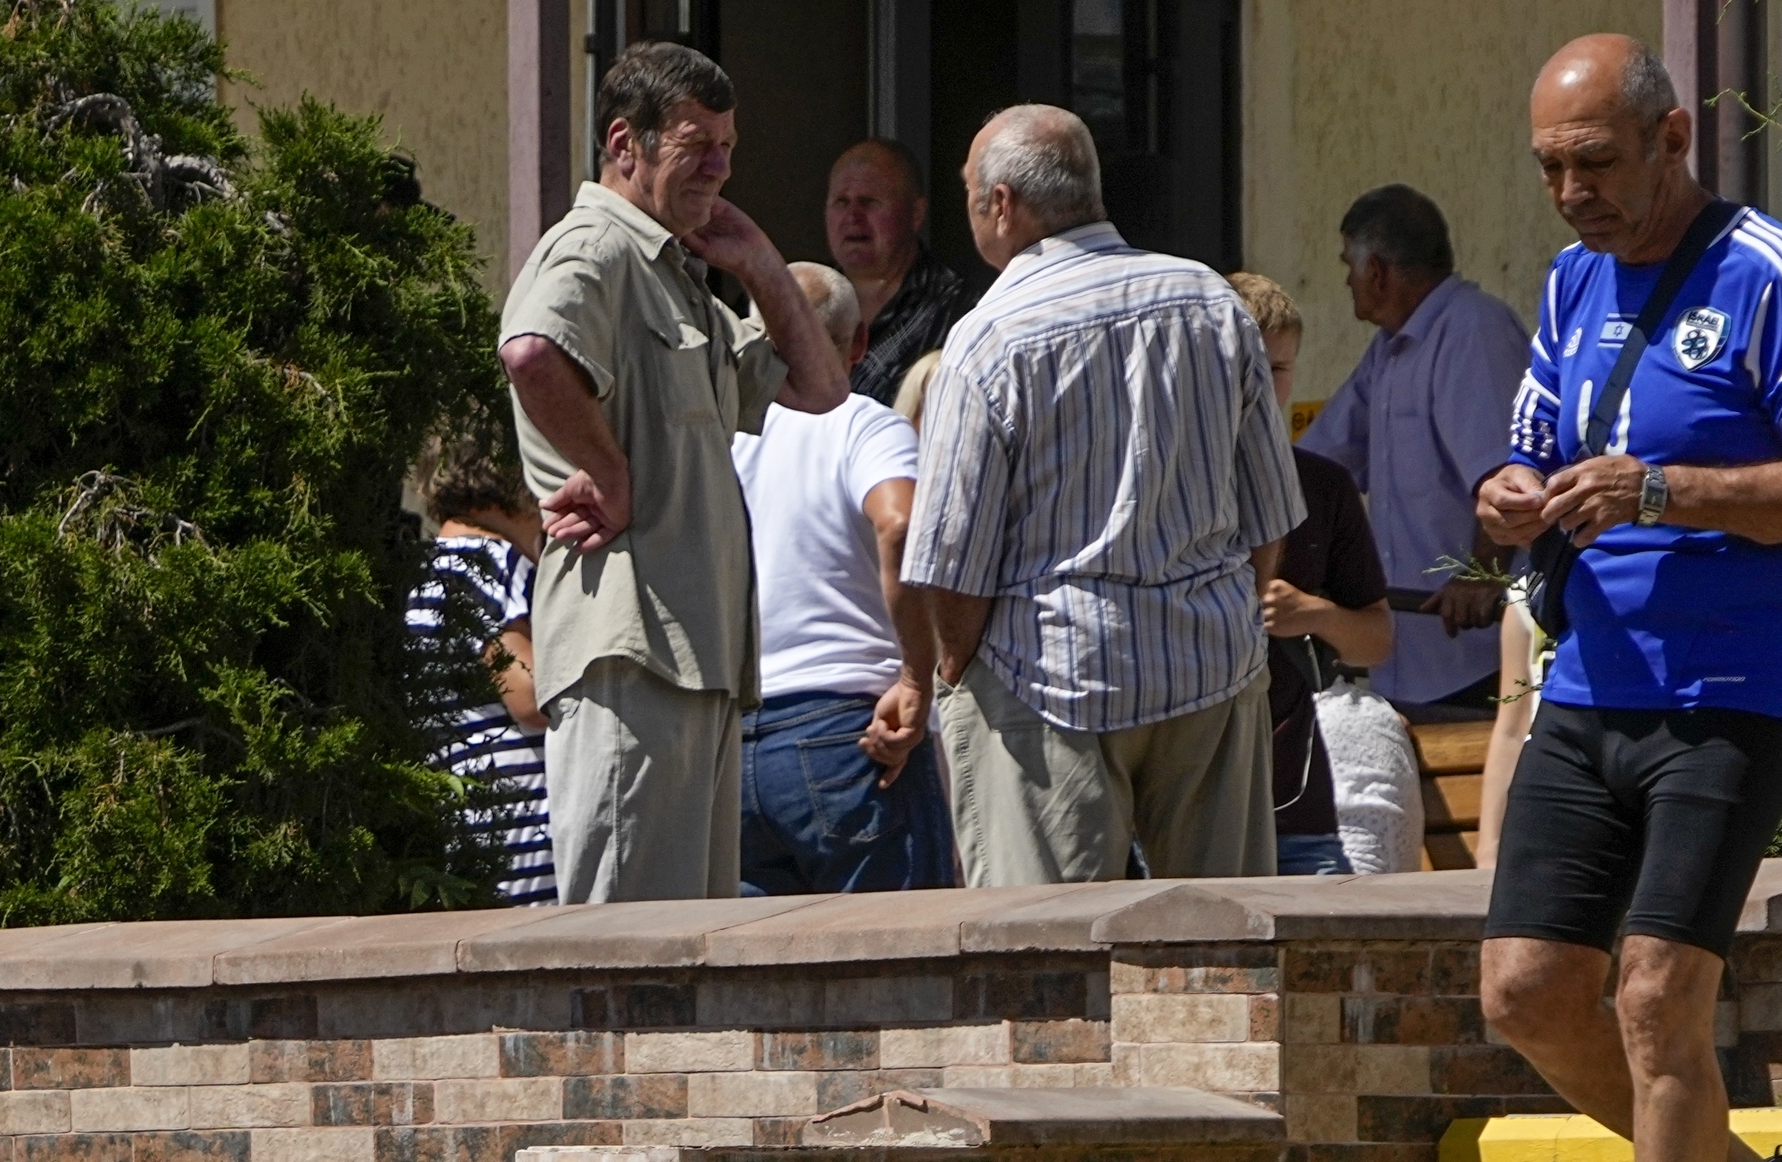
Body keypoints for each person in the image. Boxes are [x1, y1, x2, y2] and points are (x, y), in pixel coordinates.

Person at [1474, 31, 1782, 1162]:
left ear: (1671, 138)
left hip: (1727, 692)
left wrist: (1661, 491)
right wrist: (1508, 497)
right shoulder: (1574, 281)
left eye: (1593, 162)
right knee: (1525, 992)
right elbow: (1530, 443)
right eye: (1548, 169)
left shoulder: (1775, 276)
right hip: (1590, 683)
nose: (1571, 193)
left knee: (1656, 995)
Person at [905, 105, 1309, 886]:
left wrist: (957, 673)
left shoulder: (988, 337)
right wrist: (1222, 616)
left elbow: (953, 567)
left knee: (1051, 965)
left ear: (1001, 204)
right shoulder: (1211, 302)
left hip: (1048, 677)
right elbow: (1269, 515)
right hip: (1208, 671)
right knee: (1221, 954)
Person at [495, 42, 848, 904]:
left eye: (730, 146)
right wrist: (608, 473)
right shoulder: (597, 247)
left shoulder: (675, 275)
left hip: (695, 662)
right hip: (632, 656)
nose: (722, 168)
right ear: (626, 145)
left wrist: (761, 263)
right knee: (620, 959)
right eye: (700, 145)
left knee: (688, 958)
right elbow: (531, 350)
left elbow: (820, 386)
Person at [735, 258, 951, 894]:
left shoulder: (717, 437)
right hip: (851, 741)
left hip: (735, 748)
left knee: (761, 978)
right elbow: (902, 523)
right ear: (859, 343)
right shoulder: (863, 422)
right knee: (902, 968)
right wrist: (917, 675)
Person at [1303, 183, 1526, 717]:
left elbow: (1510, 477)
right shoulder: (1391, 348)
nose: (1346, 281)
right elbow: (1318, 465)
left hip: (1475, 654)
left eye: (1348, 266)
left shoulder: (1472, 329)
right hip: (1407, 657)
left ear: (1376, 270)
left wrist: (1481, 573)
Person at [1229, 270, 1404, 877]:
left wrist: (1312, 613)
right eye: (1248, 367)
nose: (1265, 387)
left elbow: (1377, 640)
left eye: (1280, 370)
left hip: (1299, 810)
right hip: (1190, 807)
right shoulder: (1169, 486)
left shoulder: (1324, 487)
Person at [407, 442, 555, 904]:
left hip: (466, 826)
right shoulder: (493, 564)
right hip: (525, 831)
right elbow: (529, 697)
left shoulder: (423, 569)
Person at [823, 135, 980, 411]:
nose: (853, 216)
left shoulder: (962, 313)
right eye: (841, 202)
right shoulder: (797, 298)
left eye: (869, 202)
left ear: (916, 214)